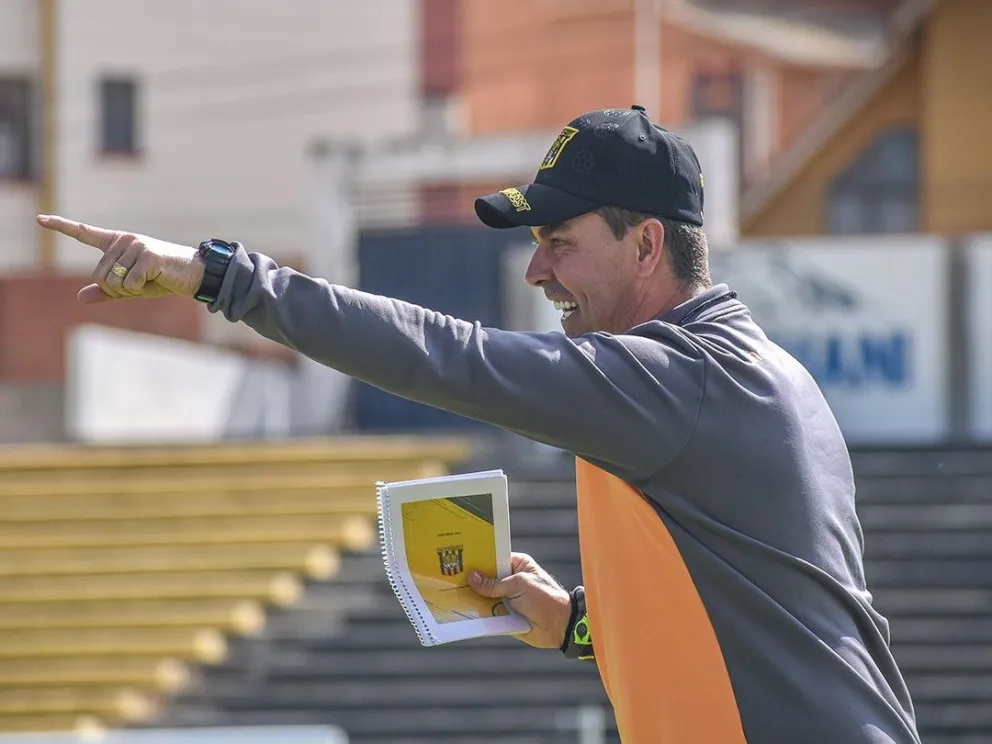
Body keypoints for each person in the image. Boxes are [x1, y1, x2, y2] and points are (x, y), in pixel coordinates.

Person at [36, 104, 921, 744]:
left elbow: (446, 354)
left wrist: (222, 278)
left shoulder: (676, 379)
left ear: (647, 245)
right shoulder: (748, 371)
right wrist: (579, 623)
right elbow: (760, 609)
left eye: (560, 240)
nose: (536, 269)